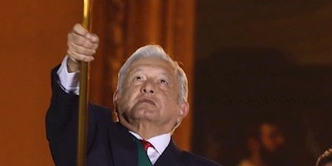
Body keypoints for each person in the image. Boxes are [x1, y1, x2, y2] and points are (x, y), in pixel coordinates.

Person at [46, 23, 221, 166]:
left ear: (182, 109)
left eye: (162, 82)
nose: (148, 87)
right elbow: (67, 114)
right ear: (117, 97)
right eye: (138, 78)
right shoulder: (92, 135)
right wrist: (75, 63)